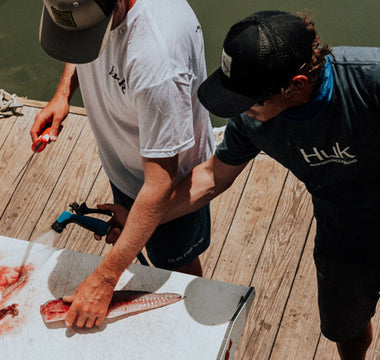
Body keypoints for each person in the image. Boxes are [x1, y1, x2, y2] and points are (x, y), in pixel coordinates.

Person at [103, 10, 380, 360]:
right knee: (345, 327)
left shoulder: (369, 79)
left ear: (295, 84)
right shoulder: (252, 122)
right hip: (343, 236)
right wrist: (142, 220)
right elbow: (211, 177)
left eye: (247, 100)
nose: (239, 110)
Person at [31, 0, 214, 328]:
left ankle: (184, 325)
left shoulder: (159, 60)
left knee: (177, 264)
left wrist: (104, 279)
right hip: (127, 160)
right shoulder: (89, 9)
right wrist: (62, 93)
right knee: (136, 237)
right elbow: (82, 40)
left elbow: (159, 187)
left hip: (171, 183)